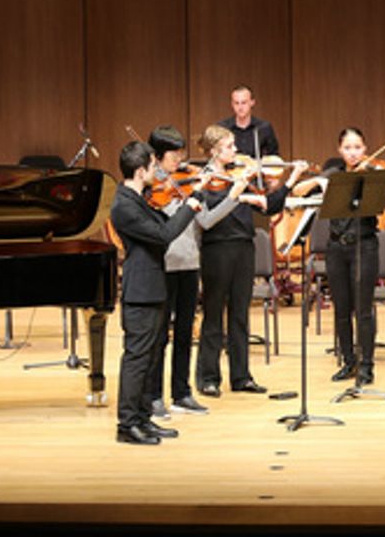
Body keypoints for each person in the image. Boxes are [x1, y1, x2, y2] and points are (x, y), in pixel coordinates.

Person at [196, 125, 305, 397]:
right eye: (230, 146)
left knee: (240, 314)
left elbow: (271, 205)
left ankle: (241, 376)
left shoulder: (240, 175)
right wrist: (238, 191)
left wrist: (291, 180)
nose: (237, 151)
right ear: (214, 151)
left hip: (244, 247)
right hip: (216, 250)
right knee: (213, 315)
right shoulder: (204, 180)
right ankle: (208, 377)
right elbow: (208, 219)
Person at [145, 125, 245, 419]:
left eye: (180, 154)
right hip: (164, 266)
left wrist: (232, 196)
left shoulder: (188, 183)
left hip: (190, 265)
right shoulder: (153, 188)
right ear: (158, 157)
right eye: (173, 156)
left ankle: (181, 393)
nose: (179, 161)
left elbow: (208, 221)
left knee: (186, 335)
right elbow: (164, 226)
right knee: (160, 336)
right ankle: (153, 397)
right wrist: (183, 196)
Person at [109, 140, 202, 445]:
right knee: (136, 359)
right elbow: (164, 235)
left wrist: (187, 197)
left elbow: (163, 221)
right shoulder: (123, 205)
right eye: (152, 166)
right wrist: (190, 206)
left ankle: (143, 418)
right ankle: (127, 425)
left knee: (149, 358)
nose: (157, 171)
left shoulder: (139, 199)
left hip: (153, 288)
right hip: (140, 290)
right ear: (140, 171)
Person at [322, 128, 384, 386]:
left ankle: (367, 366)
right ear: (339, 150)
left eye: (357, 147)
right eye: (347, 148)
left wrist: (376, 178)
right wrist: (317, 182)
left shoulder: (373, 175)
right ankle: (348, 361)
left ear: (365, 148)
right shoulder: (334, 176)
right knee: (342, 310)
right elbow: (303, 190)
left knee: (364, 309)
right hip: (336, 248)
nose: (353, 152)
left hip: (365, 246)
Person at [220, 84, 280, 160]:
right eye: (236, 103)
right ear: (232, 104)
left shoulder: (264, 127)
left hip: (256, 171)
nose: (240, 107)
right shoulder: (222, 128)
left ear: (252, 102)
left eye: (244, 103)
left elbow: (274, 157)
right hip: (229, 171)